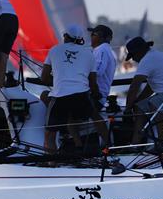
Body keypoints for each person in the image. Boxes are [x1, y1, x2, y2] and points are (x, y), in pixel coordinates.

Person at [40, 24, 110, 156]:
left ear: (66, 36)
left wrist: (57, 82)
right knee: (96, 118)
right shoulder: (89, 53)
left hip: (60, 97)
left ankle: (52, 162)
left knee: (50, 132)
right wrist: (95, 94)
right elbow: (92, 82)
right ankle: (108, 149)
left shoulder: (54, 50)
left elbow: (44, 78)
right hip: (81, 96)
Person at [88, 24, 117, 109]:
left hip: (95, 97)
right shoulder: (104, 50)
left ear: (102, 38)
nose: (91, 37)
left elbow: (97, 71)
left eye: (93, 34)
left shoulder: (102, 49)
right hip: (95, 96)